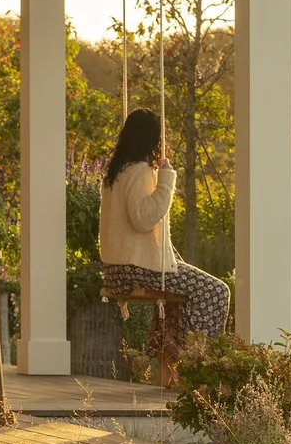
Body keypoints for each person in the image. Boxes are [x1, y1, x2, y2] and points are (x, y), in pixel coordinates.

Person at [97, 107, 230, 341]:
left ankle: (171, 351)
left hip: (115, 271)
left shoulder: (115, 174)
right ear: (151, 139)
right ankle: (197, 356)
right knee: (216, 291)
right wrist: (166, 181)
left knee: (186, 287)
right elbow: (143, 219)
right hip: (136, 269)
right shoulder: (140, 171)